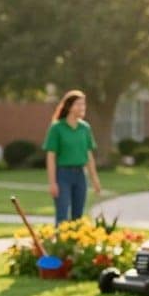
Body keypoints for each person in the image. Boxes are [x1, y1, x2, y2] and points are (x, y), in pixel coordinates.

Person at [42, 89, 102, 223]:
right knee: (62, 216)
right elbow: (51, 157)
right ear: (69, 107)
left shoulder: (85, 128)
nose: (82, 107)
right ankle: (60, 237)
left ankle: (74, 238)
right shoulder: (57, 128)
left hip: (80, 175)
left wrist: (95, 179)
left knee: (78, 217)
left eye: (83, 104)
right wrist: (52, 183)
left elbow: (89, 156)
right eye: (78, 104)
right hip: (62, 176)